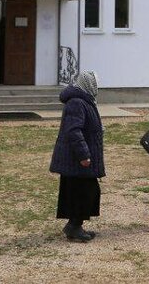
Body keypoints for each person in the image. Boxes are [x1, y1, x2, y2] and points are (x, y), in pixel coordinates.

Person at [49, 70, 105, 242]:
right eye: (94, 83)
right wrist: (83, 154)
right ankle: (74, 226)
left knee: (83, 191)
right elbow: (73, 131)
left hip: (80, 159)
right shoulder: (76, 102)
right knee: (83, 191)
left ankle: (74, 224)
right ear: (88, 84)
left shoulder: (85, 100)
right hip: (76, 160)